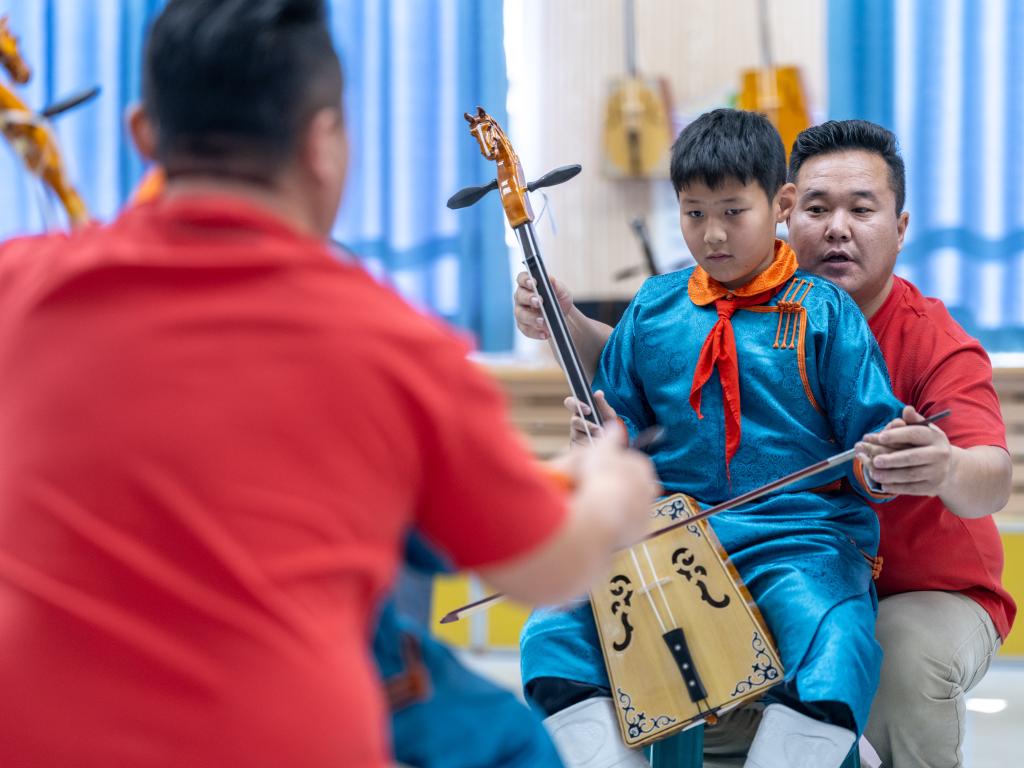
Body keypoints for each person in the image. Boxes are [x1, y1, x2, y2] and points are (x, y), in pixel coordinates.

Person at [0, 2, 662, 767]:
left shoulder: (18, 289)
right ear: (325, 144)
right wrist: (609, 488)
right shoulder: (396, 342)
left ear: (144, 135)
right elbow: (551, 568)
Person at [515, 119, 1014, 768]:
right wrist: (603, 429)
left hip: (847, 561)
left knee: (866, 649)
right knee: (563, 621)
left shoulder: (851, 320)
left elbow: (985, 475)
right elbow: (641, 391)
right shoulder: (661, 303)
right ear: (789, 210)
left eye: (861, 209)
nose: (836, 226)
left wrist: (925, 463)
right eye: (818, 208)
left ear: (901, 224)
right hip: (684, 540)